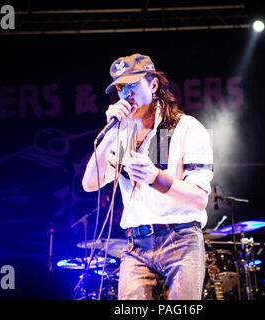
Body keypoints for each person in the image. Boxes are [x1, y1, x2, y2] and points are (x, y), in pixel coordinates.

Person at [82, 53, 213, 300]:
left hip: (181, 239)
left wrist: (156, 178)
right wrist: (112, 131)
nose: (126, 93)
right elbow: (89, 183)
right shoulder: (122, 133)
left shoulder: (188, 128)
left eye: (133, 84)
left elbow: (199, 198)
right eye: (120, 87)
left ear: (153, 85)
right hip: (136, 245)